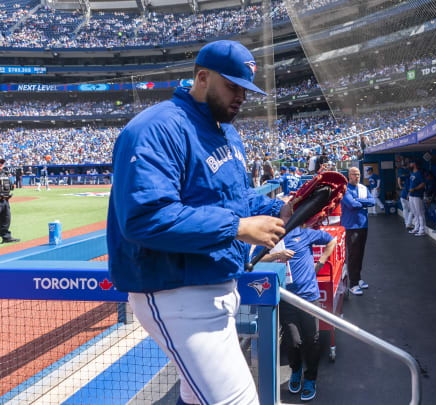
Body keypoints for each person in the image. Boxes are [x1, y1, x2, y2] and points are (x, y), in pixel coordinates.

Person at [107, 40, 292, 405]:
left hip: (215, 283)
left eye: (246, 89)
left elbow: (234, 201)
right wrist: (238, 228)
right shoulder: (156, 128)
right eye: (233, 86)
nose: (241, 96)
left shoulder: (227, 131)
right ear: (203, 78)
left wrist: (276, 209)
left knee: (197, 398)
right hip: (173, 289)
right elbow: (145, 218)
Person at [280, 226, 337, 401]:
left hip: (309, 298)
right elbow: (256, 257)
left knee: (312, 341)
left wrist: (319, 264)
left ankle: (310, 379)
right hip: (286, 298)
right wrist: (275, 256)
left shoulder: (303, 233)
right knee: (293, 340)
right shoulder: (272, 237)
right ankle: (296, 370)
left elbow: (331, 240)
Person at [341, 167, 375, 295]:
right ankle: (353, 284)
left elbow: (372, 202)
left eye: (359, 174)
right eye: (354, 174)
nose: (357, 176)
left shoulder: (363, 188)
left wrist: (359, 201)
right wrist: (363, 203)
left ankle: (358, 278)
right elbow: (351, 205)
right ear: (349, 176)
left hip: (363, 225)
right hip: (351, 226)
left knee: (360, 254)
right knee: (353, 255)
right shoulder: (345, 189)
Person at [0, 159, 20, 244]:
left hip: (5, 200)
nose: (1, 164)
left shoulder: (4, 173)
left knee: (6, 219)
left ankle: (6, 237)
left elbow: (9, 186)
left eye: (2, 163)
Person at [407, 160, 426, 236]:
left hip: (417, 195)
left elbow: (423, 183)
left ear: (414, 164)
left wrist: (415, 189)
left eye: (410, 163)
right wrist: (409, 194)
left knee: (420, 213)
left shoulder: (419, 173)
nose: (409, 165)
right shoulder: (412, 173)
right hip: (411, 195)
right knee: (414, 212)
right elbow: (411, 184)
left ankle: (422, 229)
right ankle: (416, 228)